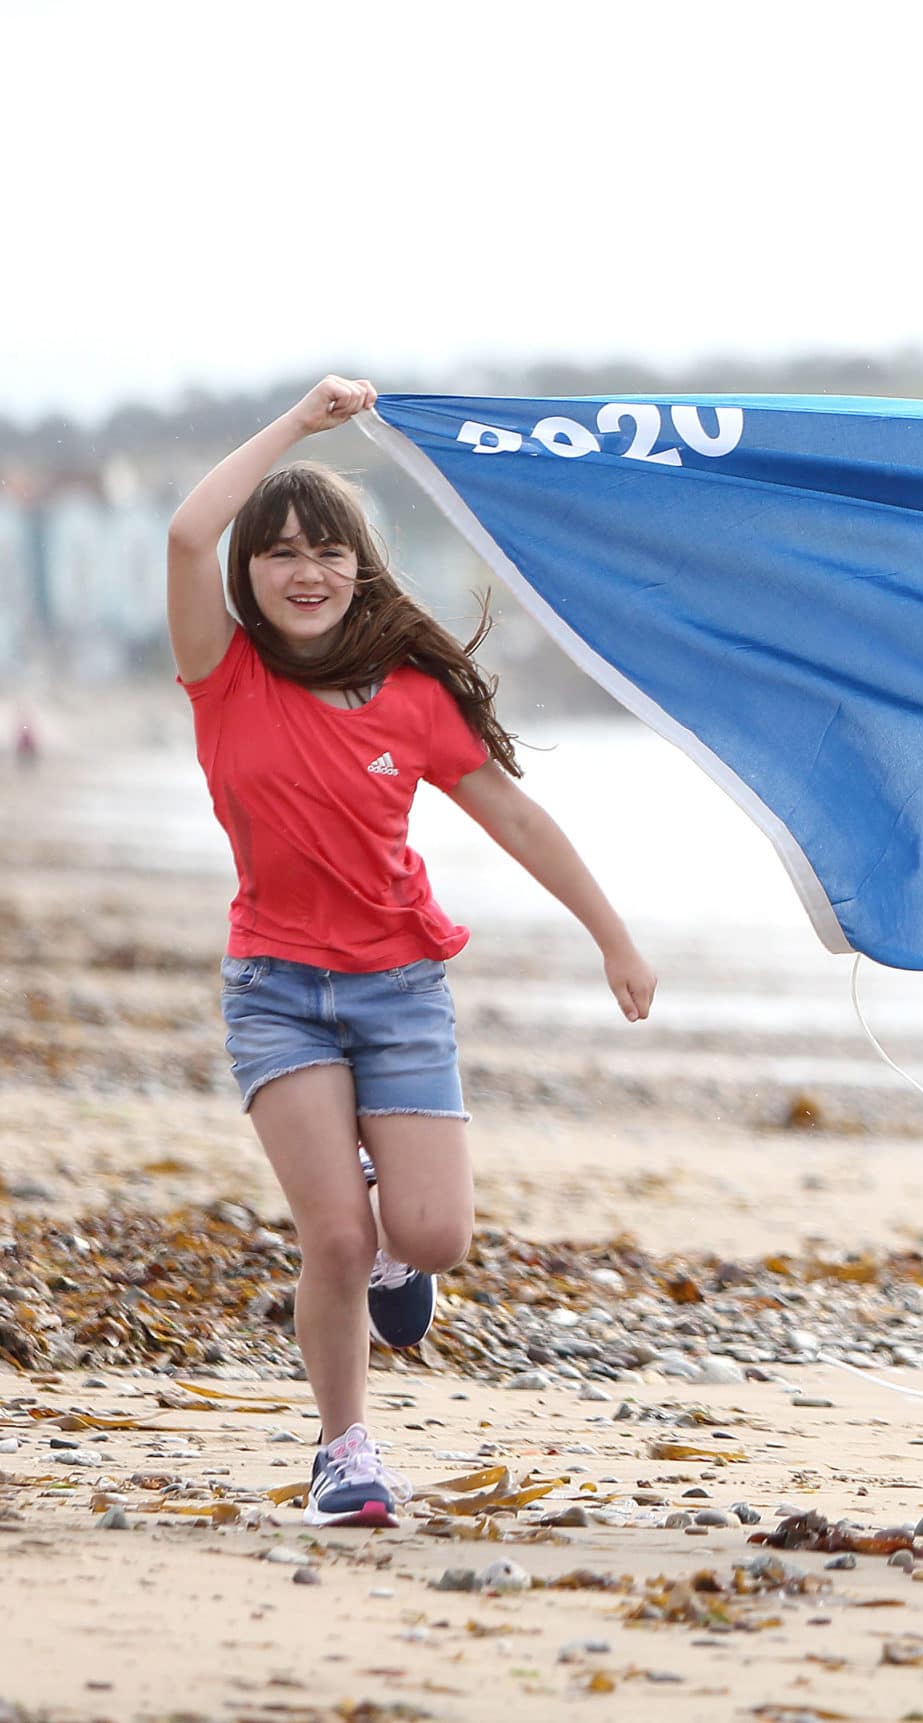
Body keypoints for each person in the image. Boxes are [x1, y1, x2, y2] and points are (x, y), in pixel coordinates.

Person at [167, 375, 657, 1527]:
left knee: (427, 1233)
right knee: (332, 1235)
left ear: (359, 567)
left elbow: (519, 819)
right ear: (251, 576)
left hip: (398, 991)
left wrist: (612, 936)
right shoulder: (221, 676)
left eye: (325, 551)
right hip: (277, 992)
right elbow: (191, 528)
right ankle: (345, 1453)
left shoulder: (412, 696)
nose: (303, 571)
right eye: (279, 553)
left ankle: (401, 1245)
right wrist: (299, 423)